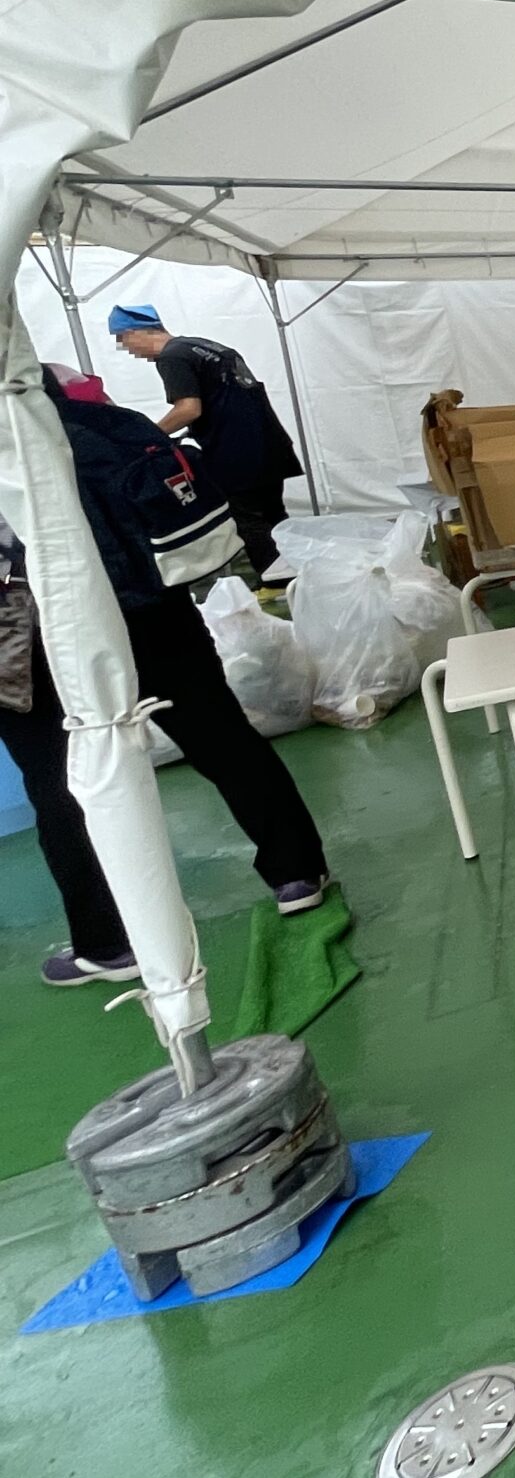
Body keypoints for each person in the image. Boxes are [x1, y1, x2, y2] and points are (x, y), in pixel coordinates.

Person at [0, 374, 336, 986]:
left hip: (24, 635)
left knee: (58, 781)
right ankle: (297, 873)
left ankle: (107, 942)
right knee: (221, 738)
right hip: (147, 611)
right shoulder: (109, 427)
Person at [106, 304, 304, 578]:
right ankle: (301, 574)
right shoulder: (205, 346)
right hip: (270, 444)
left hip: (236, 452)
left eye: (124, 341)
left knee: (247, 518)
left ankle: (276, 581)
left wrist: (148, 436)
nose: (130, 351)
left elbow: (189, 409)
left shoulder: (171, 357)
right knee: (274, 514)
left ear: (135, 332)